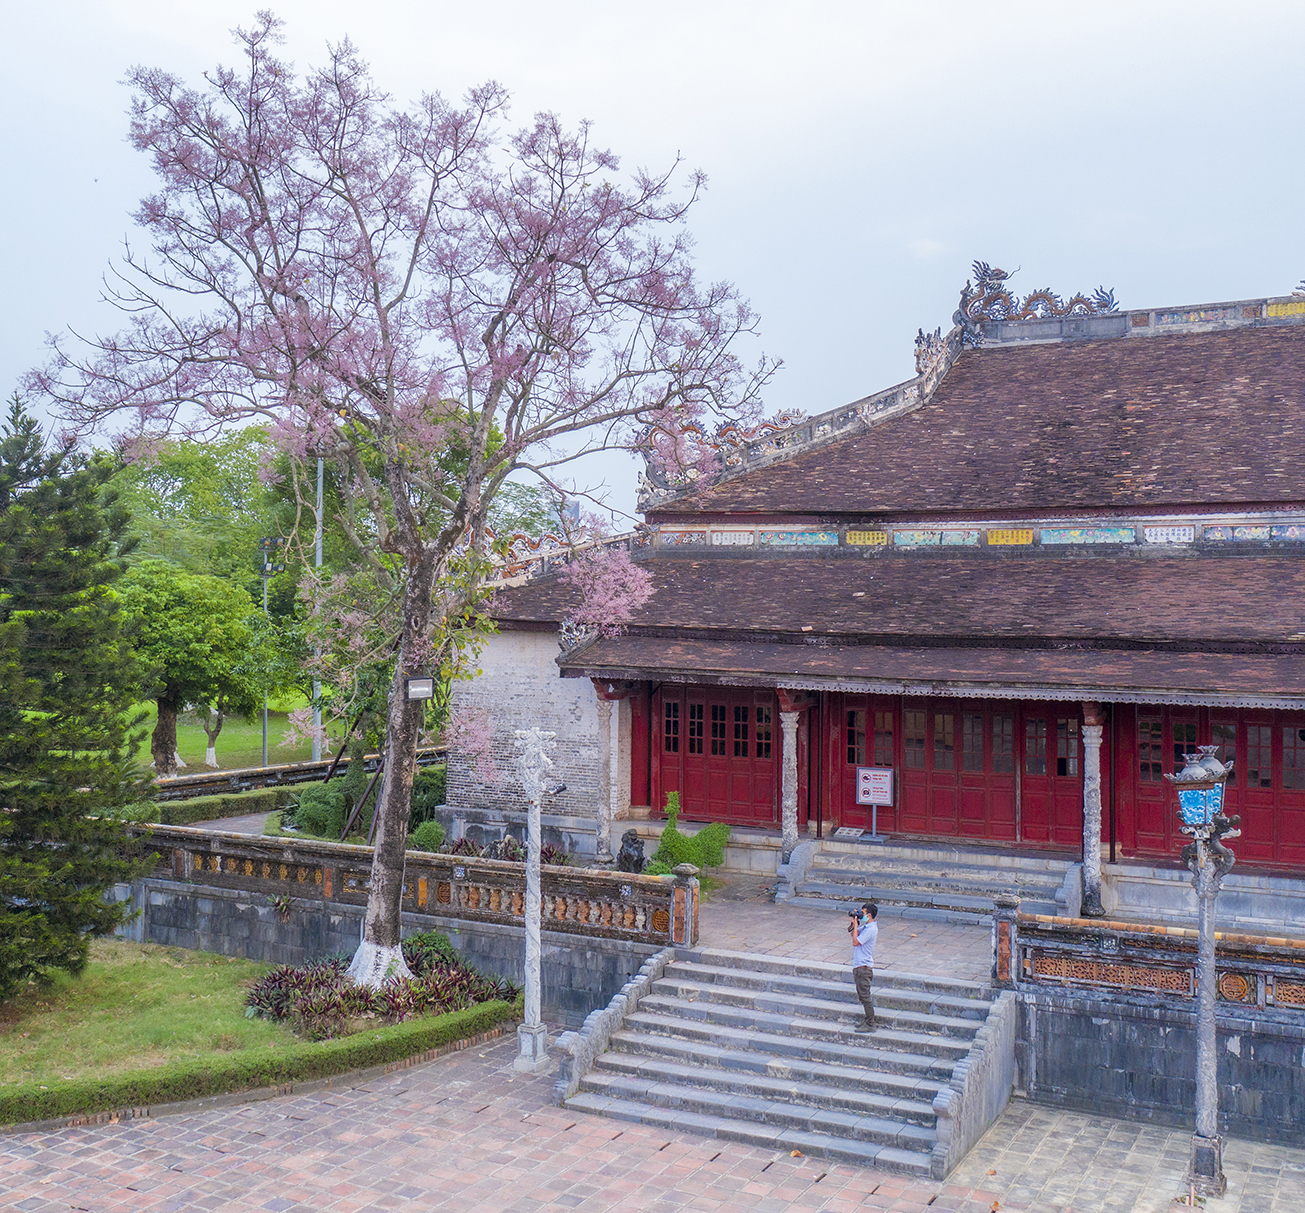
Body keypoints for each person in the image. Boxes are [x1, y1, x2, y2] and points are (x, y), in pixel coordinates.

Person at [848, 901, 879, 1032]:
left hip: (863, 967)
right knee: (862, 996)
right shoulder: (866, 927)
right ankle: (867, 1021)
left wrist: (856, 926)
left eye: (863, 913)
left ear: (870, 915)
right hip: (859, 966)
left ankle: (870, 1023)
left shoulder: (871, 929)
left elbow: (855, 942)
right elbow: (852, 933)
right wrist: (854, 923)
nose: (862, 915)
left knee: (865, 997)